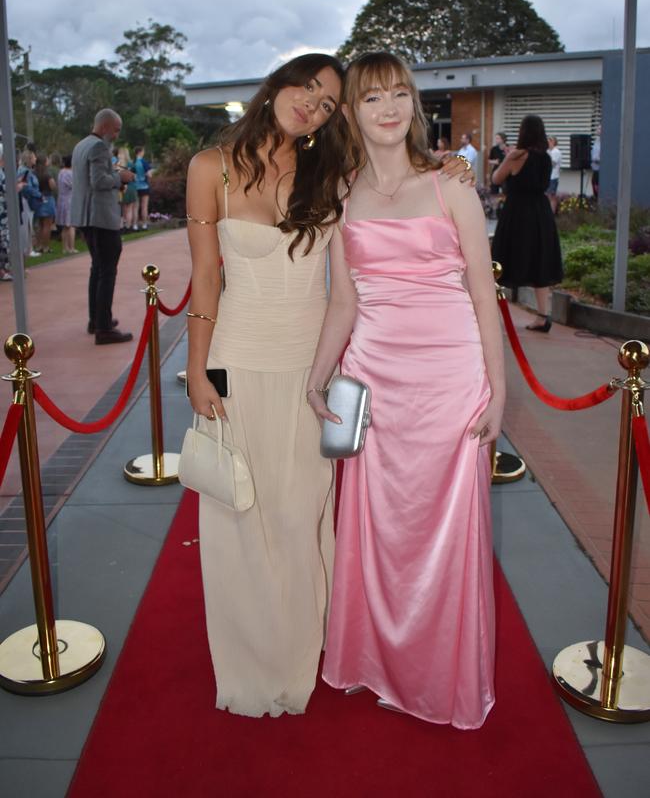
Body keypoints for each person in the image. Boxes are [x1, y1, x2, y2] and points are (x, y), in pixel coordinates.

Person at [185, 51, 478, 718]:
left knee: (303, 515)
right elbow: (205, 280)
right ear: (279, 84)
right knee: (239, 514)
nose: (310, 106)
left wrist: (452, 166)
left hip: (316, 363)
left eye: (325, 103)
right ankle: (250, 662)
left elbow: (399, 184)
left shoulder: (331, 175)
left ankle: (304, 651)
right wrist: (200, 369)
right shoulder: (212, 169)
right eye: (306, 89)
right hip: (235, 355)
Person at [305, 51, 504, 728]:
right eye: (371, 98)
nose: (388, 109)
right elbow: (344, 303)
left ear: (414, 105)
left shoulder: (452, 188)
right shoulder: (341, 194)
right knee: (377, 528)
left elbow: (485, 296)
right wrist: (317, 377)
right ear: (353, 113)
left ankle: (441, 678)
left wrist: (498, 394)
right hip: (373, 381)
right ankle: (370, 660)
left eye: (398, 95)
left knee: (444, 533)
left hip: (450, 381)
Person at [491, 113, 563, 332]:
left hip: (517, 213)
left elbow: (496, 178)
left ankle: (491, 315)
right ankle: (543, 315)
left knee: (502, 262)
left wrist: (506, 158)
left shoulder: (516, 155)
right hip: (540, 213)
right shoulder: (546, 157)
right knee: (539, 261)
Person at [71, 109, 135, 344]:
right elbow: (99, 182)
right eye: (116, 130)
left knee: (97, 269)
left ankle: (96, 320)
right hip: (100, 217)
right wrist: (122, 178)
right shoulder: (99, 147)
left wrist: (113, 173)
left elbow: (92, 178)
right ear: (106, 127)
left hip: (86, 216)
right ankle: (104, 328)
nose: (117, 135)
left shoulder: (81, 145)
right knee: (107, 270)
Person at [16, 149, 41, 258]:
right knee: (28, 224)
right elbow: (26, 187)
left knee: (29, 224)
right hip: (26, 200)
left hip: (28, 200)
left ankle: (29, 248)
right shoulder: (24, 171)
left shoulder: (27, 170)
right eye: (34, 157)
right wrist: (38, 194)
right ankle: (28, 249)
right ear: (29, 159)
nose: (36, 158)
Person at [33, 153, 57, 253]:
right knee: (47, 225)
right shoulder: (47, 174)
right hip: (47, 198)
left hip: (38, 198)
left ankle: (38, 246)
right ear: (45, 162)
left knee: (40, 224)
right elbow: (53, 186)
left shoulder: (34, 173)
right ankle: (45, 246)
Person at [56, 155, 77, 254]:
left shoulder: (61, 172)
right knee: (71, 225)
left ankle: (65, 248)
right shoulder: (70, 174)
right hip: (69, 200)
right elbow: (74, 186)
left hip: (61, 199)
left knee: (64, 226)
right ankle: (71, 247)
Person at [116, 146, 138, 231]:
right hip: (131, 186)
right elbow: (135, 177)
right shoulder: (131, 165)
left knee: (123, 208)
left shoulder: (117, 165)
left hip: (122, 187)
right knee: (130, 208)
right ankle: (128, 226)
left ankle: (123, 225)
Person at [133, 146, 152, 230]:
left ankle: (135, 225)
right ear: (140, 152)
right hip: (144, 186)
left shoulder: (133, 162)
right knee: (144, 206)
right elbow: (149, 174)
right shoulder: (144, 162)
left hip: (135, 186)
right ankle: (144, 224)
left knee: (135, 207)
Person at [0, 144, 12, 281]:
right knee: (4, 241)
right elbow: (5, 189)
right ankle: (4, 270)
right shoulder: (1, 172)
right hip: (2, 213)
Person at [547, 135, 562, 213]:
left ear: (553, 142)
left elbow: (553, 164)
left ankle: (552, 213)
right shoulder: (549, 151)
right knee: (548, 195)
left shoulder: (556, 151)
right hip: (548, 177)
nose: (547, 142)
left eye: (549, 141)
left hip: (553, 177)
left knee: (551, 196)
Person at [591, 125, 601, 201]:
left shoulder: (604, 141)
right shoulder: (597, 140)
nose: (598, 130)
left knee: (597, 186)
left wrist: (597, 159)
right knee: (594, 184)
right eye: (598, 128)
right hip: (595, 168)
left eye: (600, 129)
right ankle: (596, 199)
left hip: (599, 169)